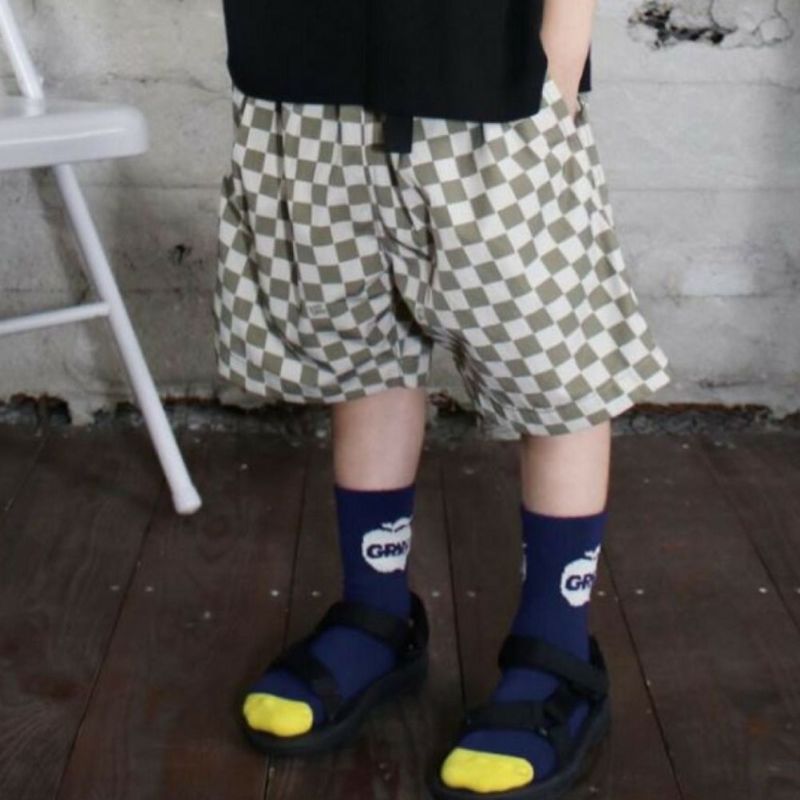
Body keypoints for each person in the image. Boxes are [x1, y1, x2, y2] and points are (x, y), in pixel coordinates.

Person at [213, 1, 673, 797]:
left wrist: (561, 55)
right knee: (361, 349)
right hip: (301, 64)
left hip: (486, 72)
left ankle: (557, 648)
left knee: (548, 363)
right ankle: (375, 613)